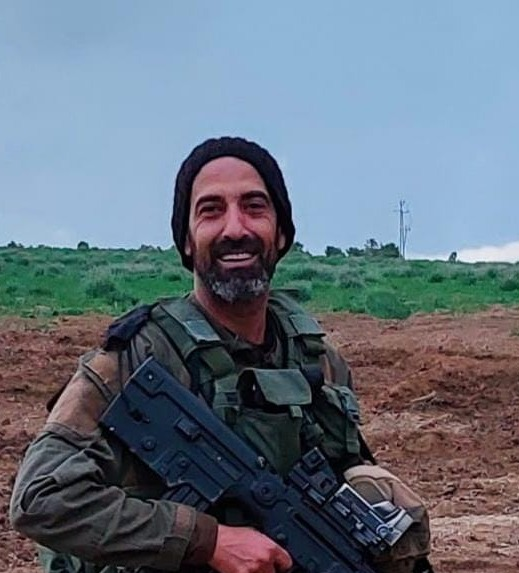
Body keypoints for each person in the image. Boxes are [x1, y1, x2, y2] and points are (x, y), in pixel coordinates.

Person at [10, 137, 432, 573]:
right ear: (187, 241)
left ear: (281, 233)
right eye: (211, 210)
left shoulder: (318, 361)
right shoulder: (135, 358)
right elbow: (40, 499)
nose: (235, 229)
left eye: (254, 207)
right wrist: (207, 541)